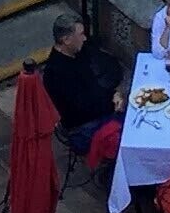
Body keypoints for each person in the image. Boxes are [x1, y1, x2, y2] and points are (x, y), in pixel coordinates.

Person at [40, 12, 124, 164]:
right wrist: (112, 103)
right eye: (81, 34)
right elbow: (83, 108)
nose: (85, 38)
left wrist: (113, 94)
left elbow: (96, 85)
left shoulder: (78, 53)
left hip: (95, 110)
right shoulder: (57, 73)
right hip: (81, 128)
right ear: (66, 40)